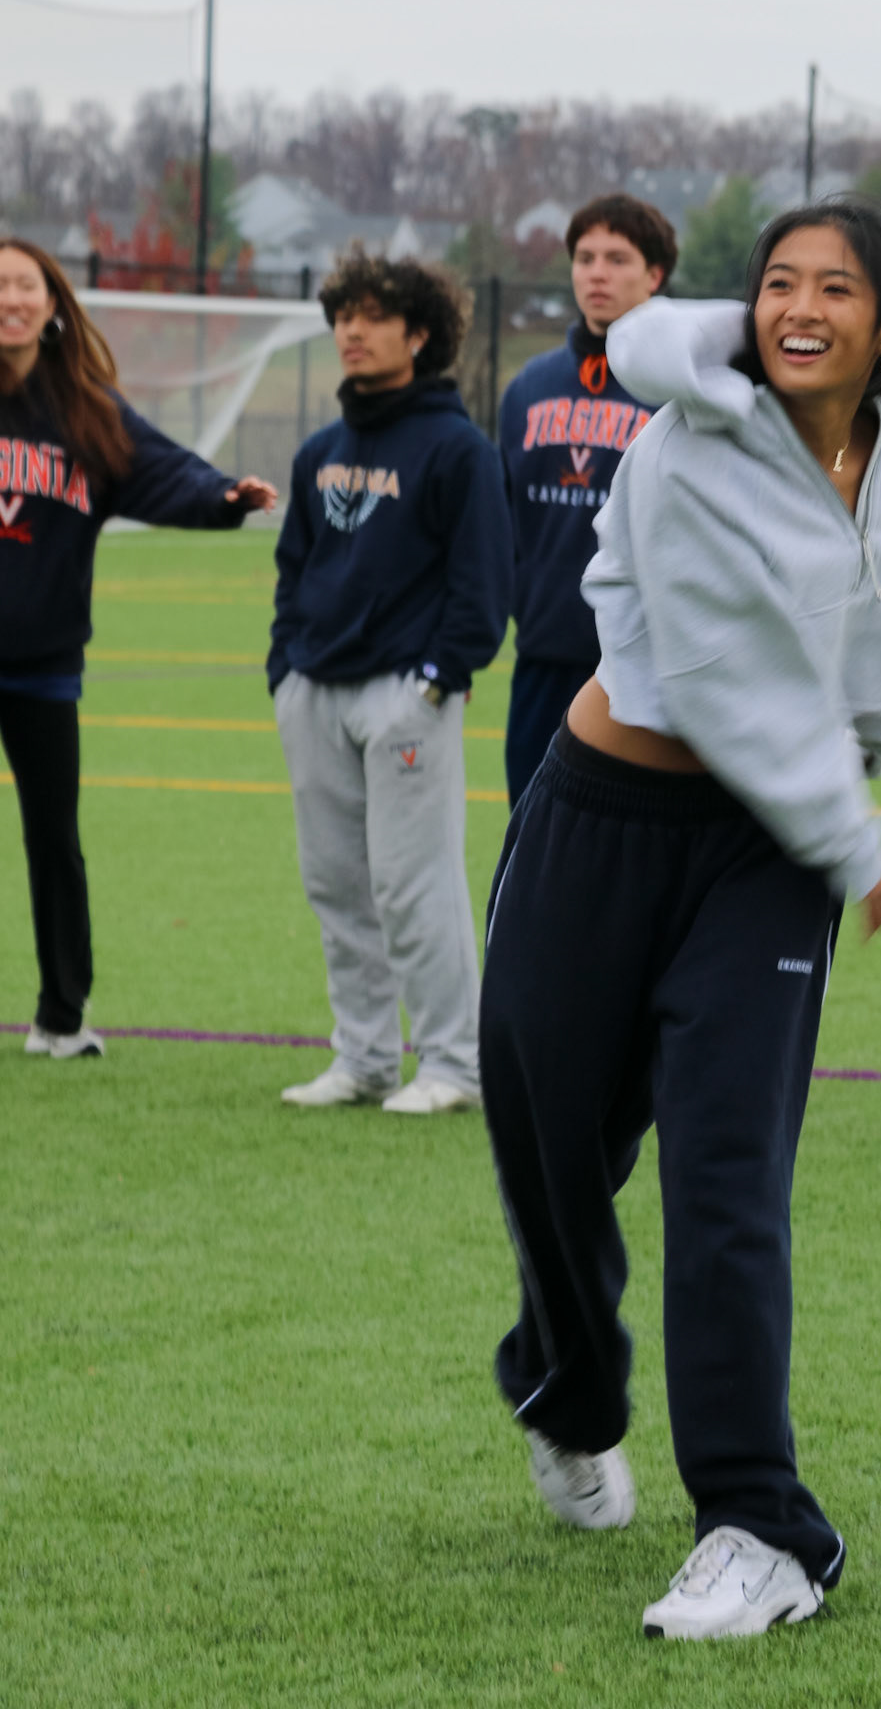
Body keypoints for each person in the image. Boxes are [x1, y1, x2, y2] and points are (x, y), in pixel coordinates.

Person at [479, 197, 881, 1638]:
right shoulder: (688, 442)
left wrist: (853, 784)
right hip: (598, 822)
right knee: (555, 1150)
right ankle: (572, 1390)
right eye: (779, 282)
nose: (802, 307)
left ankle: (759, 1525)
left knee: (727, 1175)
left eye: (837, 288)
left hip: (766, 855)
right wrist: (851, 830)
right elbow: (716, 669)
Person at [0, 238, 277, 1059]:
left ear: (53, 305)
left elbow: (163, 471)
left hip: (43, 666)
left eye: (25, 286)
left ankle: (61, 1015)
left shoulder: (86, 411)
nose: (10, 300)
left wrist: (223, 496)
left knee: (54, 839)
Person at [271, 250, 512, 1115]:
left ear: (419, 335)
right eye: (344, 316)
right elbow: (293, 569)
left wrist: (437, 680)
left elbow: (484, 585)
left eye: (374, 317)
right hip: (315, 691)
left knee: (414, 887)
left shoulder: (459, 450)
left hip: (406, 697)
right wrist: (284, 673)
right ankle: (365, 1058)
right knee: (335, 885)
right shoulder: (319, 451)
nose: (353, 331)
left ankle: (453, 1064)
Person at [498, 193, 677, 806]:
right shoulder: (529, 387)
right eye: (585, 257)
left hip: (646, 670)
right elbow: (506, 525)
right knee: (530, 835)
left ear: (655, 275)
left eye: (617, 259)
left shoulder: (682, 388)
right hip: (544, 658)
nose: (597, 273)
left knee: (632, 845)